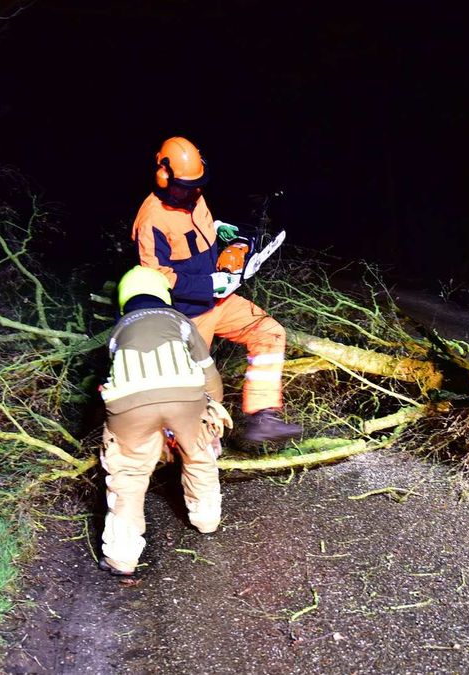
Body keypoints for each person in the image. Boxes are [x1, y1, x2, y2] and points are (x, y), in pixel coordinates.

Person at [131, 136, 302, 444]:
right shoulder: (151, 220)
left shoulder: (194, 197)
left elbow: (195, 234)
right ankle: (181, 454)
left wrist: (218, 227)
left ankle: (263, 416)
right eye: (185, 186)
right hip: (186, 316)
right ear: (164, 177)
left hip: (218, 301)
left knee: (269, 332)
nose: (193, 191)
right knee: (191, 388)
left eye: (197, 184)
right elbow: (155, 278)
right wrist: (208, 284)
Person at [98, 265, 232, 576]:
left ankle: (121, 556)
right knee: (199, 455)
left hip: (128, 404)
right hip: (185, 396)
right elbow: (208, 374)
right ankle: (207, 519)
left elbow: (111, 379)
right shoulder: (181, 322)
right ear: (163, 295)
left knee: (128, 474)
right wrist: (212, 411)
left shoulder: (117, 331)